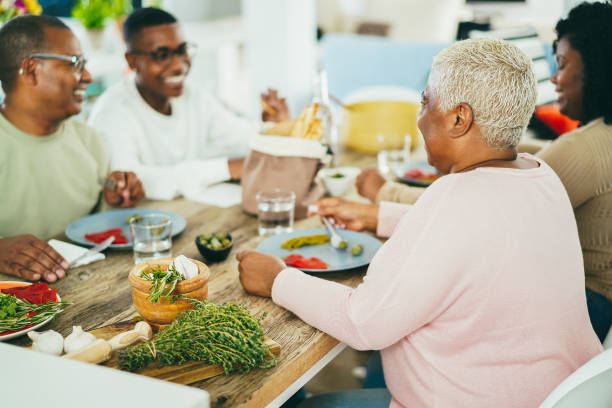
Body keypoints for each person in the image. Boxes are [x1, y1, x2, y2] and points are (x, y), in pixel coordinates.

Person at [236, 38, 602, 407]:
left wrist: (277, 279)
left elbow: (365, 323)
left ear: (459, 118)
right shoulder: (541, 176)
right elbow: (482, 234)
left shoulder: (456, 198)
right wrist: (378, 216)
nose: (420, 116)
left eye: (426, 101)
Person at [328, 1, 612, 343]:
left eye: (563, 64)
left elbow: (469, 215)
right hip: (577, 307)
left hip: (586, 304)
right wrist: (380, 216)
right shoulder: (592, 140)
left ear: (597, 68)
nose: (555, 77)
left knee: (415, 320)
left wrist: (382, 192)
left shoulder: (583, 151)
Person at [88, 8, 288, 201]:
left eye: (182, 50)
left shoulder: (194, 96)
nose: (178, 65)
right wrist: (225, 168)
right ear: (131, 61)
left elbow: (239, 135)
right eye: (161, 54)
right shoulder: (112, 112)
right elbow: (132, 181)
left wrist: (275, 128)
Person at [0, 15, 144, 283]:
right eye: (76, 63)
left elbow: (104, 230)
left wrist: (117, 198)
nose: (87, 76)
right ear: (31, 69)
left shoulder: (90, 141)